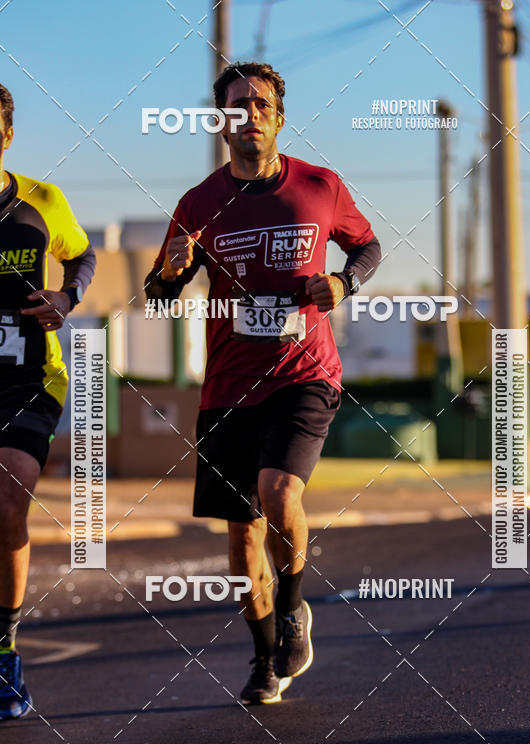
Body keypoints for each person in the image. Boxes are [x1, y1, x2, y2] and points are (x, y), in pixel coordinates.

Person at [145, 62, 380, 704]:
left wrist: (342, 283)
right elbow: (159, 294)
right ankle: (263, 657)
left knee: (279, 494)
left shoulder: (319, 185)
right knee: (242, 533)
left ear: (278, 115)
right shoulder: (197, 204)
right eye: (235, 105)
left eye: (260, 103)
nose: (248, 113)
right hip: (228, 388)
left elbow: (368, 247)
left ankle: (295, 609)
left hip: (305, 374)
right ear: (220, 123)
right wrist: (169, 272)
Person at [0, 84, 96, 719]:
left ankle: (3, 650)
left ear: (5, 134)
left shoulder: (41, 200)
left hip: (27, 377)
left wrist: (65, 299)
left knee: (11, 486)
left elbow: (83, 255)